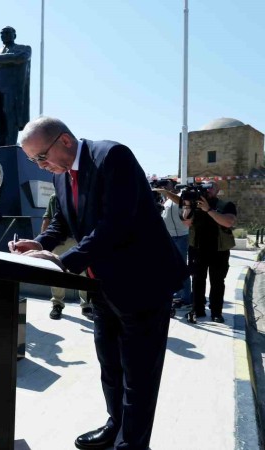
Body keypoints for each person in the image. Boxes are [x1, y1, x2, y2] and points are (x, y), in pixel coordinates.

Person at [10, 117, 186, 450]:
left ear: (64, 141)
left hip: (141, 285)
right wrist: (40, 245)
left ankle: (132, 445)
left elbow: (114, 226)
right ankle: (114, 425)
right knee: (111, 367)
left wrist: (63, 263)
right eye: (35, 161)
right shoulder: (62, 178)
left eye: (40, 157)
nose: (40, 165)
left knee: (139, 378)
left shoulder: (112, 157)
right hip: (102, 288)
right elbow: (62, 225)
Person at [182, 181, 236, 323]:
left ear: (217, 190)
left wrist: (208, 210)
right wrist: (188, 204)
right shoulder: (195, 206)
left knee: (217, 282)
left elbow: (228, 222)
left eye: (212, 187)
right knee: (198, 281)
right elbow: (186, 222)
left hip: (219, 250)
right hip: (197, 249)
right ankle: (198, 309)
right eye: (206, 187)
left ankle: (216, 312)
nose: (208, 190)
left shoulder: (225, 205)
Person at [40, 193, 92, 320]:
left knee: (83, 273)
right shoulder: (55, 197)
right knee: (57, 273)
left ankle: (86, 305)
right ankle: (57, 304)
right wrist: (42, 245)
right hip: (60, 241)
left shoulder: (83, 194)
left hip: (79, 240)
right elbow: (47, 218)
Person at [0, 26, 31, 146]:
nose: (4, 35)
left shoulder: (23, 48)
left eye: (8, 33)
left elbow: (20, 58)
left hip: (12, 90)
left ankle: (10, 145)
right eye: (2, 33)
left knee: (11, 117)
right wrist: (10, 60)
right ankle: (0, 145)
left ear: (14, 35)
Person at [153, 180, 192, 308]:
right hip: (170, 236)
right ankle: (179, 292)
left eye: (167, 185)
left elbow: (182, 205)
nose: (164, 187)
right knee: (173, 267)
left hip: (181, 236)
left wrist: (166, 193)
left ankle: (186, 297)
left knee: (181, 267)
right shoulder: (167, 199)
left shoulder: (182, 197)